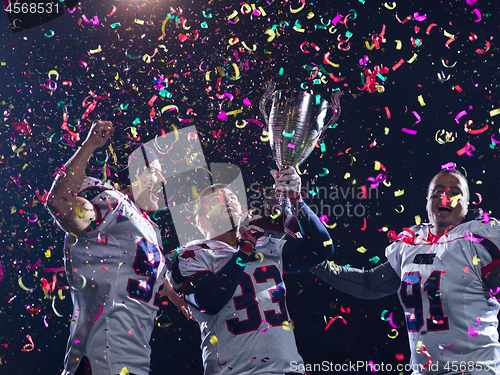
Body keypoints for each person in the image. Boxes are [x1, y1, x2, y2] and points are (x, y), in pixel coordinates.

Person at [310, 167, 500, 375]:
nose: (444, 198)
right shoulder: (410, 243)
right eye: (436, 193)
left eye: (454, 193)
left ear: (467, 205)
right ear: (427, 203)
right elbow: (369, 285)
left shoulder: (479, 240)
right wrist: (316, 265)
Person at [46, 120, 187, 375]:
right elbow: (59, 202)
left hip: (134, 359)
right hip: (99, 357)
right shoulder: (113, 203)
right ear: (134, 174)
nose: (163, 179)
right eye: (155, 171)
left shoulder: (150, 228)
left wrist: (184, 297)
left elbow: (149, 280)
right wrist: (89, 145)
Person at [166, 166, 335, 375]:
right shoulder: (189, 254)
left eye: (231, 197)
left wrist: (296, 200)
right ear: (200, 222)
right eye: (215, 201)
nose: (226, 200)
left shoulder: (267, 242)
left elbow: (321, 249)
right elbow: (208, 302)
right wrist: (244, 248)